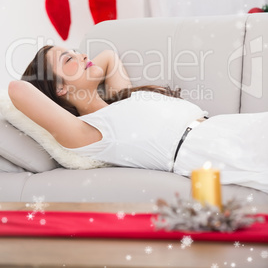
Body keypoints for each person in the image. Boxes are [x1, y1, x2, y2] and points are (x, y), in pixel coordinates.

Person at [8, 46, 268, 194]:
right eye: (69, 60)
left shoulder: (120, 99)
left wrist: (75, 70)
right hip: (206, 151)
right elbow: (17, 90)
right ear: (59, 89)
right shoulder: (89, 132)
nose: (84, 56)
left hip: (226, 128)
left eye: (78, 52)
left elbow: (109, 56)